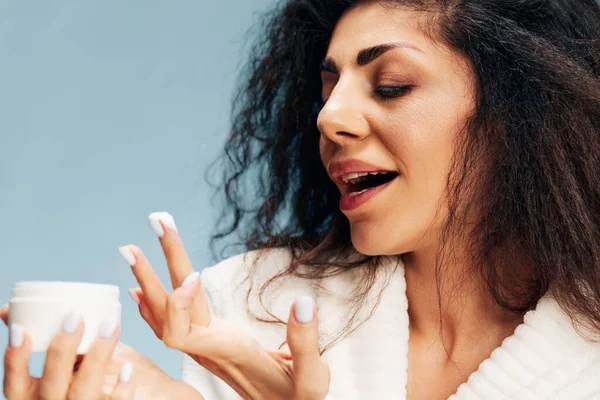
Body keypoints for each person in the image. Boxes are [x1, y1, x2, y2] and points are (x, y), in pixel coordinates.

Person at [5, 0, 600, 398]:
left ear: (522, 111)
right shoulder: (248, 306)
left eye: (391, 85)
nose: (331, 116)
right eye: (327, 87)